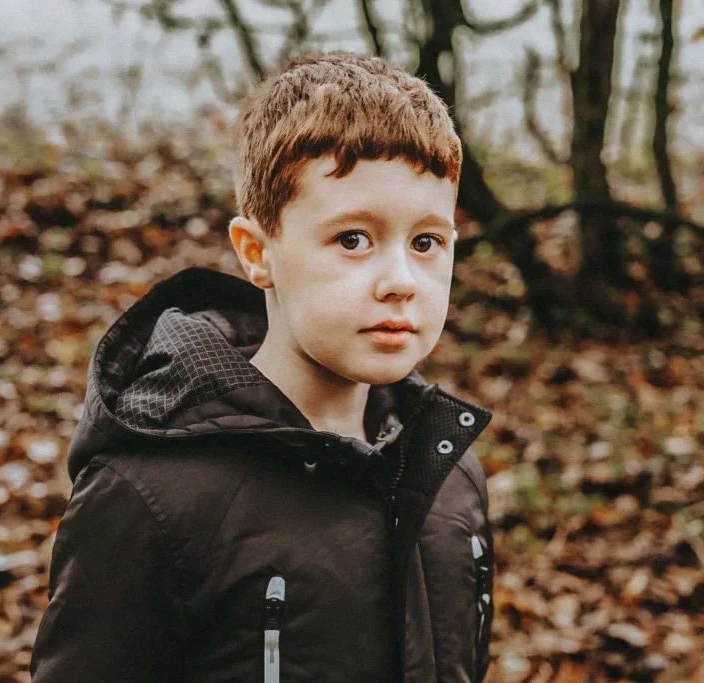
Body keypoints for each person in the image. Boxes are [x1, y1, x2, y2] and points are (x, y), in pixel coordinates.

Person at [29, 51, 495, 683]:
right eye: (352, 239)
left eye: (425, 242)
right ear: (258, 252)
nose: (400, 282)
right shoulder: (150, 496)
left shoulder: (447, 468)